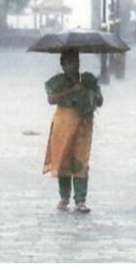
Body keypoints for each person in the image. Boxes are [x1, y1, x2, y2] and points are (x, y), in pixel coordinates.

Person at [43, 49, 103, 213]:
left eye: (75, 61)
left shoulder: (88, 80)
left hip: (83, 127)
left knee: (80, 161)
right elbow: (51, 99)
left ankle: (80, 199)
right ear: (62, 65)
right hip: (63, 127)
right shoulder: (58, 82)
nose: (73, 65)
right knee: (63, 160)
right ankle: (64, 196)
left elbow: (100, 100)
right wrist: (72, 91)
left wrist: (90, 93)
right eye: (69, 62)